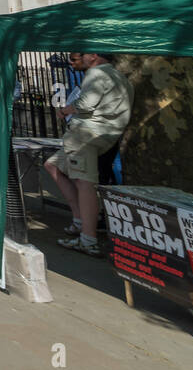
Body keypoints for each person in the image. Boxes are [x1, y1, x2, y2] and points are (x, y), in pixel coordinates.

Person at [47, 52, 133, 257]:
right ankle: (79, 220)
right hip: (105, 135)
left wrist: (66, 110)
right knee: (53, 165)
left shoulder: (96, 74)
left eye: (83, 55)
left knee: (84, 184)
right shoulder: (120, 77)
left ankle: (88, 238)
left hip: (86, 135)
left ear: (93, 56)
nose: (78, 60)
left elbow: (85, 104)